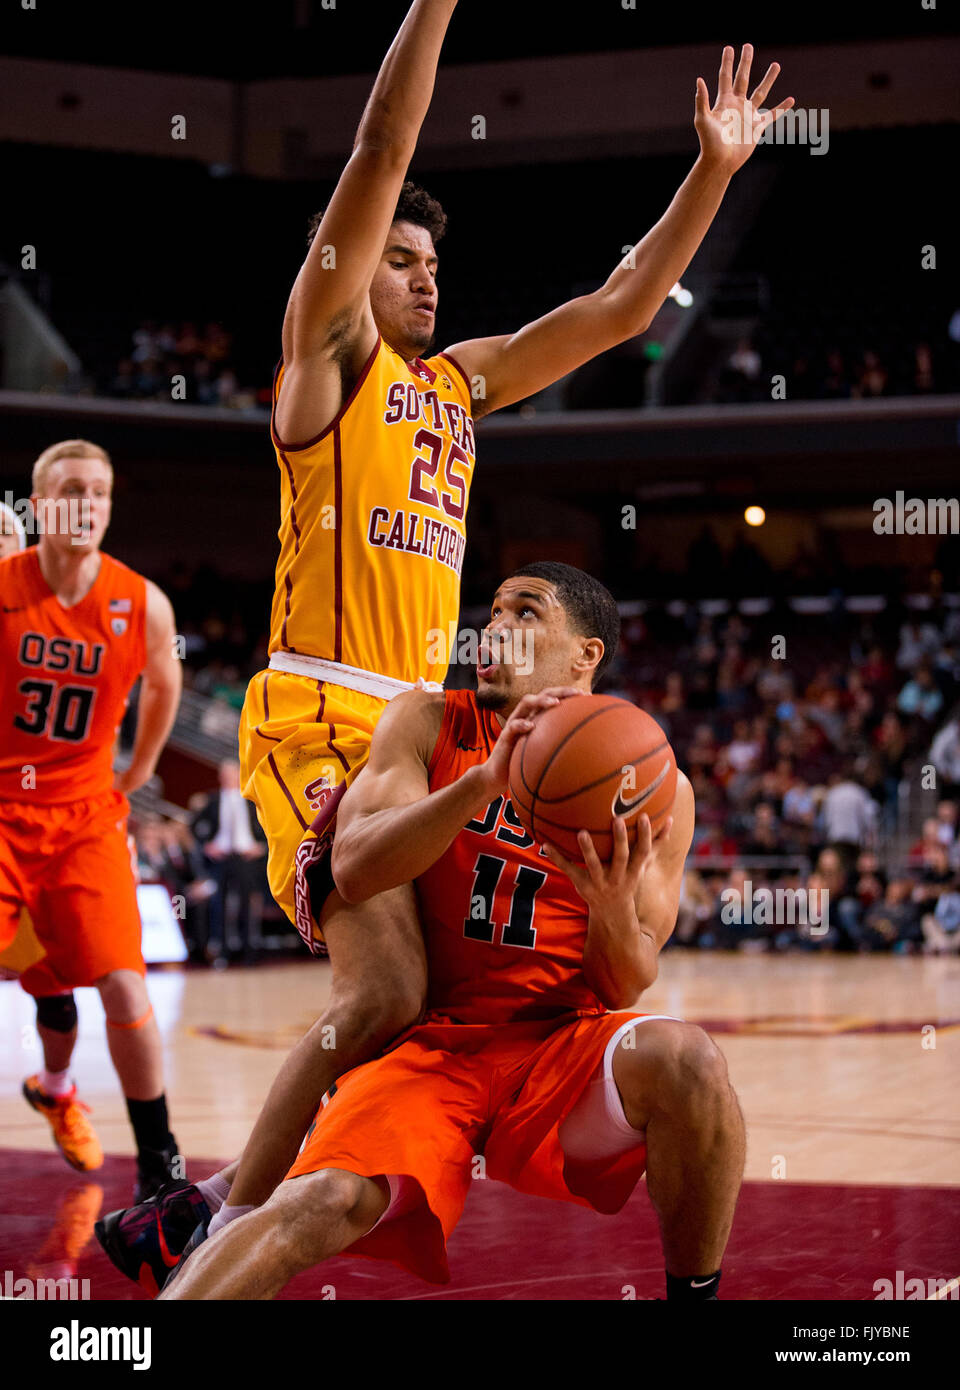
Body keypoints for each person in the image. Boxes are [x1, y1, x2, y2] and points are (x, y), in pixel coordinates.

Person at [100, 14, 793, 1258]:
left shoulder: (461, 387)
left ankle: (308, 1185)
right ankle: (209, 1216)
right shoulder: (323, 369)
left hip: (428, 722)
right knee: (388, 990)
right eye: (400, 256)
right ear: (347, 267)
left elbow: (623, 307)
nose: (425, 276)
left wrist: (714, 171)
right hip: (321, 718)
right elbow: (380, 142)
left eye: (433, 262)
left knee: (441, 1001)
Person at [153, 564, 743, 1302]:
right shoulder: (426, 721)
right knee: (314, 1203)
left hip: (560, 1048)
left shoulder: (656, 783)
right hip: (432, 1053)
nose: (493, 627)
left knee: (689, 1061)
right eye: (491, 611)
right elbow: (355, 866)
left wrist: (609, 906)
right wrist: (482, 782)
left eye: (525, 612)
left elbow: (626, 980)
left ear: (586, 655)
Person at [0, 438, 184, 1199]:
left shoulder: (140, 601)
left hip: (82, 819)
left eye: (100, 491)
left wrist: (137, 772)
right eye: (71, 489)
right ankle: (58, 1087)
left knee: (124, 989)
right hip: (3, 811)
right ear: (39, 506)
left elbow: (166, 687)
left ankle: (159, 1167)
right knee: (48, 989)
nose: (88, 504)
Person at [190, 759, 268, 963]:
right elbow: (194, 826)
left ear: (239, 774)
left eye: (232, 773)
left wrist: (261, 846)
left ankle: (248, 951)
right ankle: (223, 951)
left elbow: (269, 824)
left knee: (247, 904)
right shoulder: (213, 800)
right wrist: (207, 845)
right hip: (222, 857)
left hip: (246, 857)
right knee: (220, 904)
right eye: (224, 773)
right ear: (220, 776)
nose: (228, 777)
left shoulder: (251, 799)